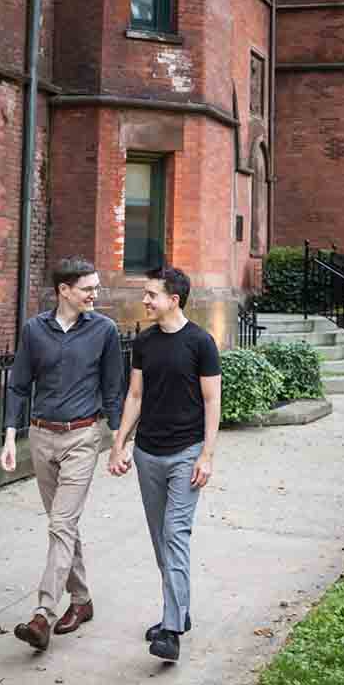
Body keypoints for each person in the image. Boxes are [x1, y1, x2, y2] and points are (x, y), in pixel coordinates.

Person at [1, 256, 124, 652]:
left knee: (59, 525)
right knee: (63, 526)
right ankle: (83, 600)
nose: (95, 294)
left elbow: (113, 388)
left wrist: (118, 441)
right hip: (40, 437)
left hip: (82, 437)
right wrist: (8, 438)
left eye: (95, 287)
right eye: (88, 288)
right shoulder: (34, 331)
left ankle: (42, 615)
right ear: (64, 291)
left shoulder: (104, 330)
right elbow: (19, 385)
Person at [108, 264, 222, 663]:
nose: (144, 300)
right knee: (161, 540)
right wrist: (119, 442)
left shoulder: (201, 343)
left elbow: (212, 401)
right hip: (147, 454)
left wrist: (207, 455)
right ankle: (180, 611)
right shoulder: (144, 342)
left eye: (151, 294)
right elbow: (135, 396)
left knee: (175, 535)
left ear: (174, 300)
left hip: (186, 455)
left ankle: (171, 630)